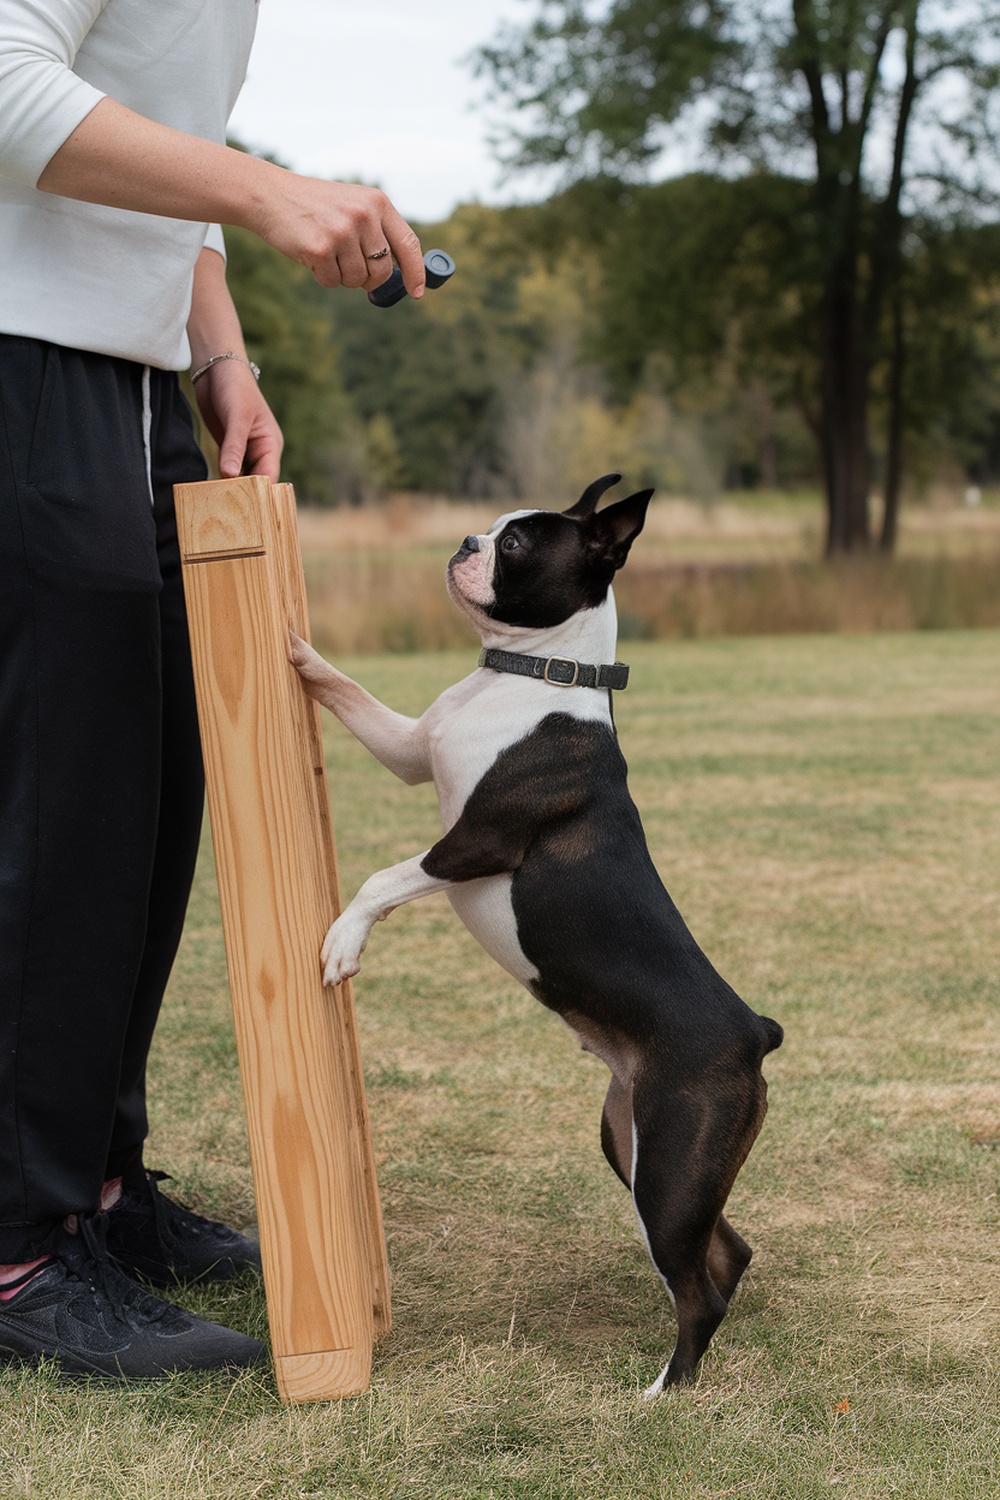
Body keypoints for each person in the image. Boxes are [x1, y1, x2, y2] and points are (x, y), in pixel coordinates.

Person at [0, 0, 425, 1378]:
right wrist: (272, 192)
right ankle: (14, 1251)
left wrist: (219, 359)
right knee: (56, 807)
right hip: (21, 356)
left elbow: (155, 157)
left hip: (124, 375)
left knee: (144, 787)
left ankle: (96, 1186)